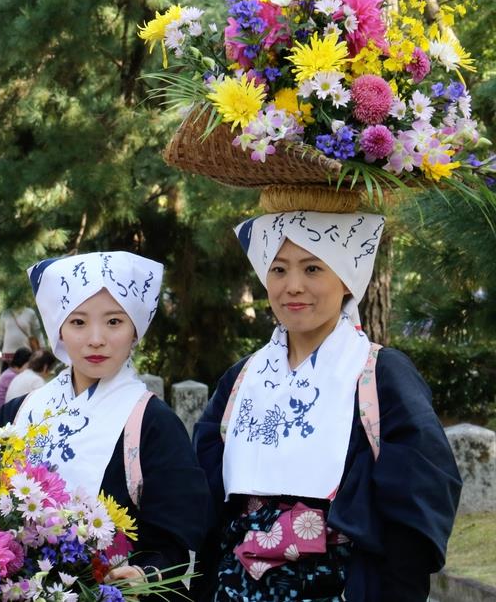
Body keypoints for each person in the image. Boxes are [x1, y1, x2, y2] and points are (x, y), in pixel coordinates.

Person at [192, 211, 462, 601]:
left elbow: (420, 496)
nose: (293, 286)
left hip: (340, 586)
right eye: (279, 269)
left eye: (313, 268)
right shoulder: (243, 378)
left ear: (347, 280)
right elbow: (204, 494)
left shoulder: (379, 373)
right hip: (235, 587)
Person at [0, 251, 210, 589]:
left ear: (135, 331)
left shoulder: (153, 423)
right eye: (78, 322)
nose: (96, 339)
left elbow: (180, 536)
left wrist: (144, 574)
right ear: (59, 331)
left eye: (114, 321)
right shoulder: (20, 412)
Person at [0, 304, 44, 370]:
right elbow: (0, 333)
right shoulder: (5, 314)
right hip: (8, 356)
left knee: (25, 378)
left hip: (25, 355)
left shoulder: (30, 313)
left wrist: (42, 347)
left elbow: (37, 332)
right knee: (7, 378)